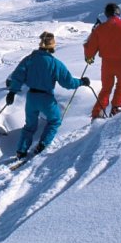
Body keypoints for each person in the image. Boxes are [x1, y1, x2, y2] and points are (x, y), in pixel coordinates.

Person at [6, 31, 88, 159]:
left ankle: (21, 151)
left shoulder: (29, 59)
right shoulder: (55, 63)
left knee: (29, 126)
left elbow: (18, 75)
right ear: (52, 46)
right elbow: (68, 83)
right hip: (46, 98)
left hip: (31, 97)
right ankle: (42, 144)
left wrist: (12, 91)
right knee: (55, 121)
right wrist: (81, 82)